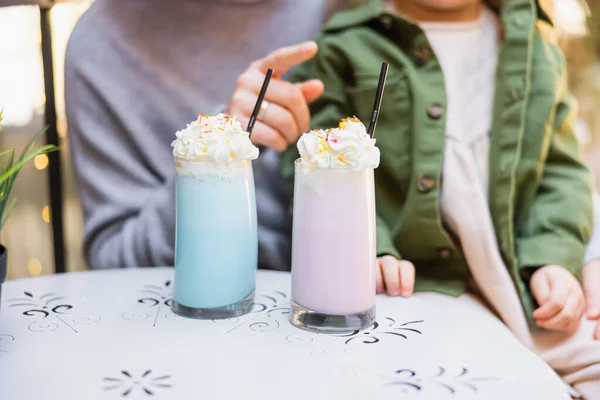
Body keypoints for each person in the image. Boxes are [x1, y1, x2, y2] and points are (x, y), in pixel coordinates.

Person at [282, 0, 600, 396]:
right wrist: (370, 249)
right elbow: (317, 165)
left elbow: (560, 169)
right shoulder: (345, 44)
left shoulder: (533, 44)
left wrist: (553, 257)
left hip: (525, 282)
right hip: (417, 289)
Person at [65, 0, 346, 272]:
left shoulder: (352, 10)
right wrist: (214, 153)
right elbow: (113, 260)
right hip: (183, 310)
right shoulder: (100, 41)